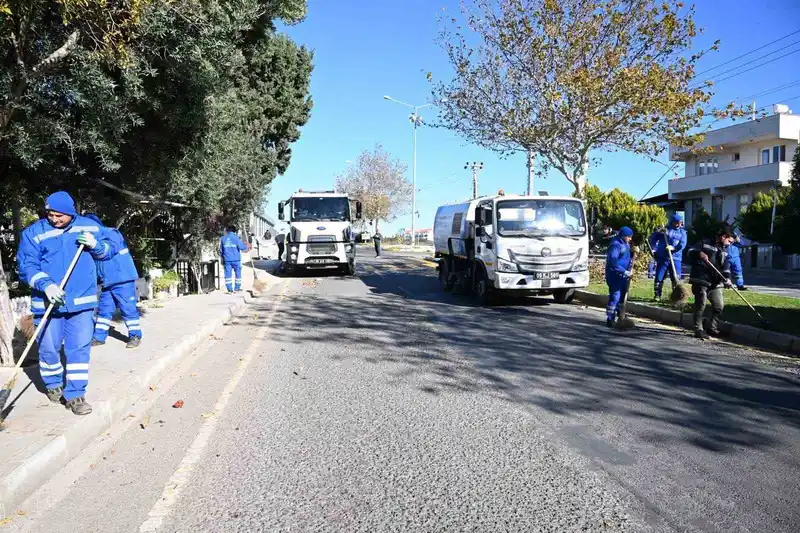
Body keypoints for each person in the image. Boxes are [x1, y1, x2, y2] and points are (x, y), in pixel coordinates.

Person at [17, 191, 116, 415]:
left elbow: (110, 251)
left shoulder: (90, 227)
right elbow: (27, 266)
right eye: (50, 214)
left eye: (59, 215)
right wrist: (46, 285)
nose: (54, 219)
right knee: (49, 348)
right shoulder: (34, 233)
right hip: (47, 302)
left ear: (71, 213)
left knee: (79, 349)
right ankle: (53, 384)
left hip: (82, 301)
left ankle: (76, 395)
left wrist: (96, 245)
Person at [84, 214, 142, 349]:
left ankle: (135, 335)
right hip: (107, 282)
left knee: (128, 308)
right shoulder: (91, 244)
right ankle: (99, 337)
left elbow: (109, 250)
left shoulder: (112, 233)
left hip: (123, 280)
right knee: (104, 311)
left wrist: (94, 244)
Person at [687, 225, 735, 339]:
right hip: (701, 279)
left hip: (715, 282)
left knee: (719, 306)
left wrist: (727, 278)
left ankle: (712, 327)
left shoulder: (725, 250)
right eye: (729, 241)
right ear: (723, 236)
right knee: (701, 304)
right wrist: (699, 253)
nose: (730, 244)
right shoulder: (705, 242)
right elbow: (689, 251)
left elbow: (726, 266)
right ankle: (698, 329)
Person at [649, 213, 687, 300]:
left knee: (676, 277)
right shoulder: (665, 230)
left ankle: (676, 296)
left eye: (680, 222)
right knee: (659, 276)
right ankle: (657, 295)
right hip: (663, 257)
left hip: (676, 258)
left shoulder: (683, 233)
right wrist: (654, 249)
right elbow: (654, 238)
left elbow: (683, 244)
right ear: (672, 222)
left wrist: (674, 248)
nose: (678, 224)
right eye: (676, 222)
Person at [605, 226, 634, 328]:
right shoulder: (616, 245)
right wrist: (623, 271)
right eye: (629, 237)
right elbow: (613, 261)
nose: (630, 239)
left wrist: (633, 252)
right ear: (624, 236)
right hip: (615, 275)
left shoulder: (625, 243)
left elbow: (626, 257)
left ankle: (620, 317)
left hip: (623, 275)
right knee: (615, 296)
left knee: (622, 296)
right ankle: (610, 318)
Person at [220, 225, 248, 293]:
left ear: (227, 231)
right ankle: (237, 288)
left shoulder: (223, 238)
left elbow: (221, 250)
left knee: (227, 274)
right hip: (236, 260)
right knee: (238, 274)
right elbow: (243, 248)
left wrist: (222, 259)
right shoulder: (236, 238)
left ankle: (229, 289)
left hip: (227, 260)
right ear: (234, 231)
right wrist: (247, 246)